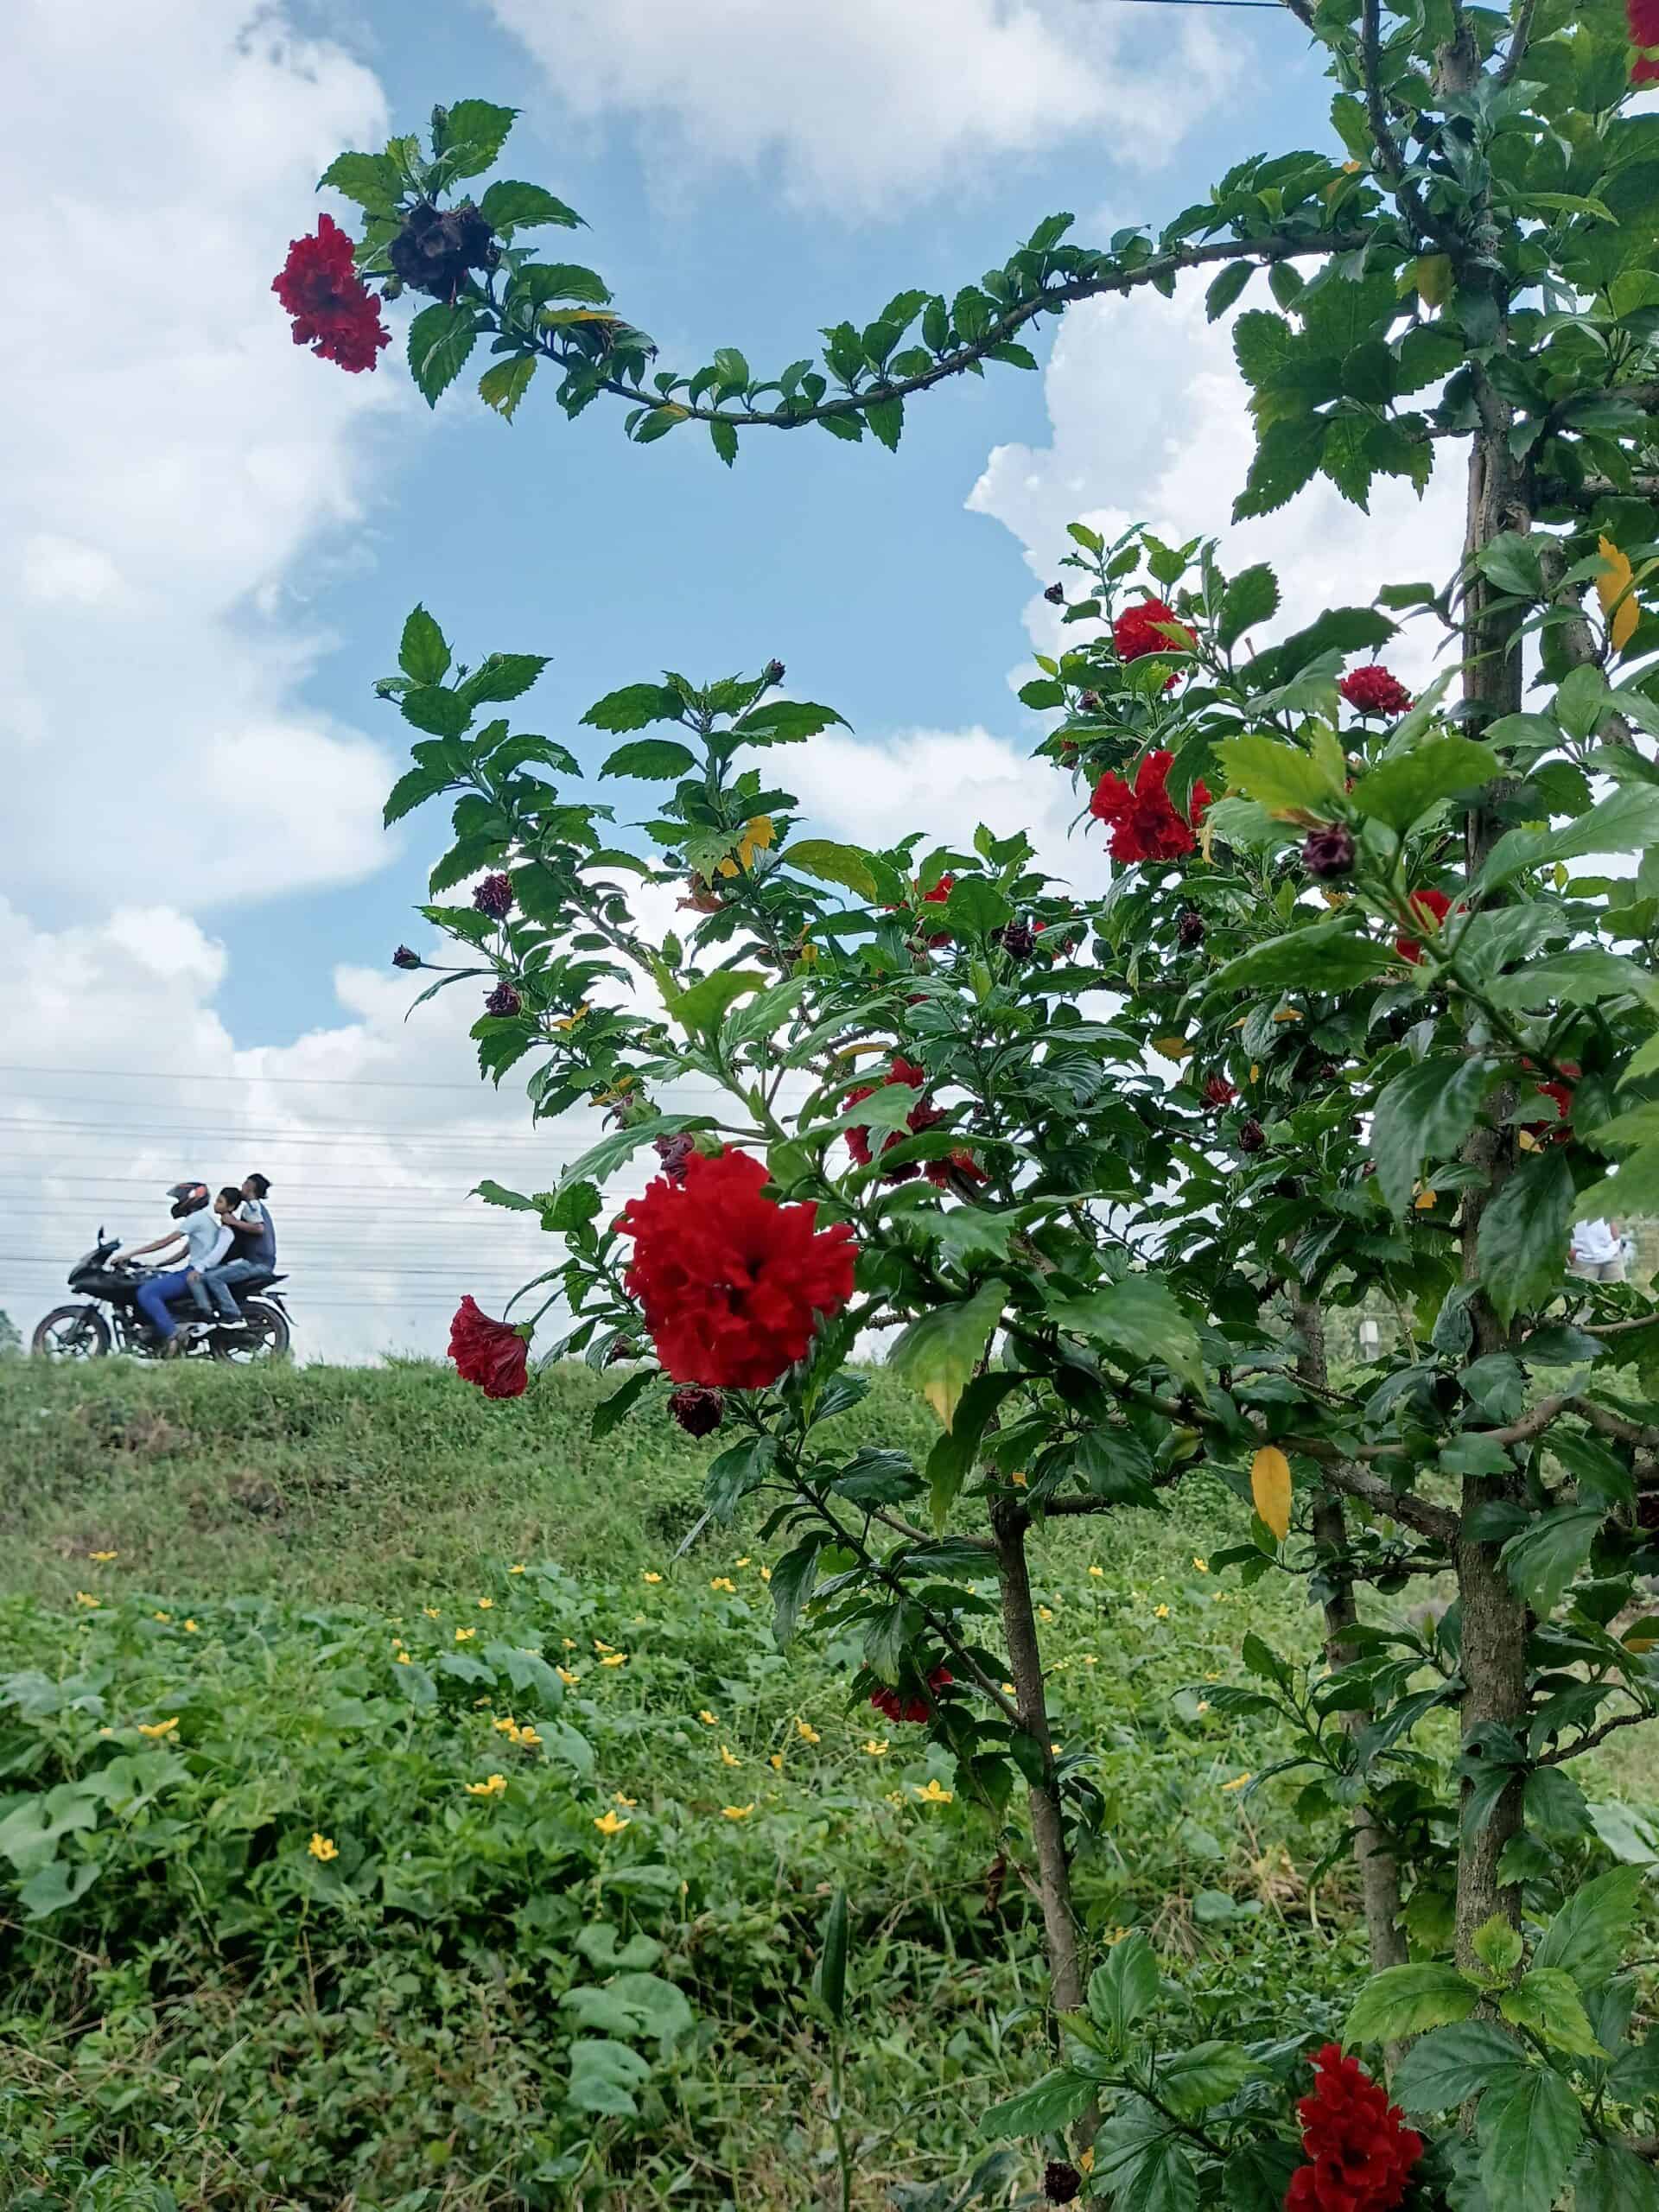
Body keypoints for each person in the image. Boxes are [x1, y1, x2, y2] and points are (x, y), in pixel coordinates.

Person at [115, 1182, 235, 1354]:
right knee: (155, 1279)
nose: (178, 1203)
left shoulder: (196, 1218)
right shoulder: (203, 1220)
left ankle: (172, 1336)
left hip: (194, 1273)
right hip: (196, 1271)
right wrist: (156, 1266)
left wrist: (129, 1255)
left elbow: (165, 1242)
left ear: (191, 1198)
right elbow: (183, 1252)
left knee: (147, 1292)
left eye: (180, 1198)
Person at [200, 1174, 276, 1329]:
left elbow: (259, 1228)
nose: (242, 1187)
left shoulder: (252, 1206)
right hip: (261, 1262)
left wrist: (233, 1222)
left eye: (244, 1184)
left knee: (214, 1278)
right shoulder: (256, 1207)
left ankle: (232, 1315)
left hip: (257, 1263)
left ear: (250, 1186)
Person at [1570, 1217, 1624, 1284]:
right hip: (1580, 1258)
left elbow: (1608, 1211)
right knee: (1579, 1294)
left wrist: (1617, 1239)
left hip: (1612, 1254)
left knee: (1620, 1293)